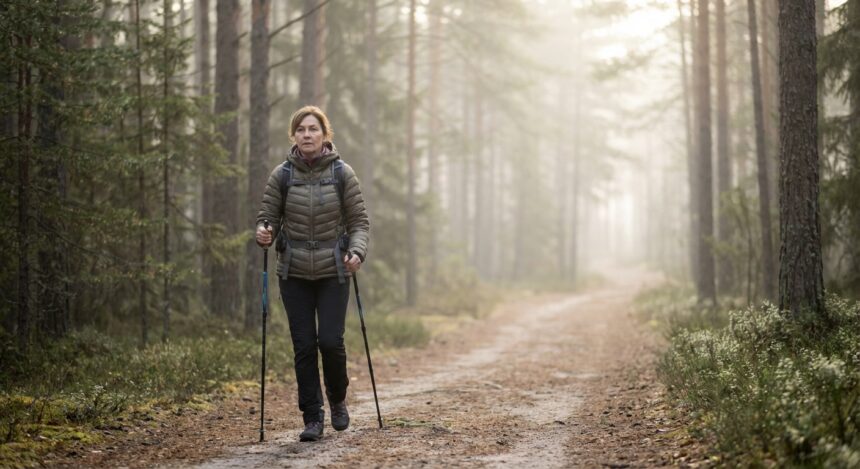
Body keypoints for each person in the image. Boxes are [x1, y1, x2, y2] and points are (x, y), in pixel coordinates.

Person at [255, 106, 370, 442]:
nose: (307, 134)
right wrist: (264, 232)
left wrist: (357, 252)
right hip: (293, 274)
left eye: (313, 129)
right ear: (294, 135)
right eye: (301, 129)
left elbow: (359, 223)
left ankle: (337, 398)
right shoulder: (282, 175)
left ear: (324, 134)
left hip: (334, 270)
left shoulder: (342, 173)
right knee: (304, 347)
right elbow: (267, 218)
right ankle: (312, 417)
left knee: (331, 342)